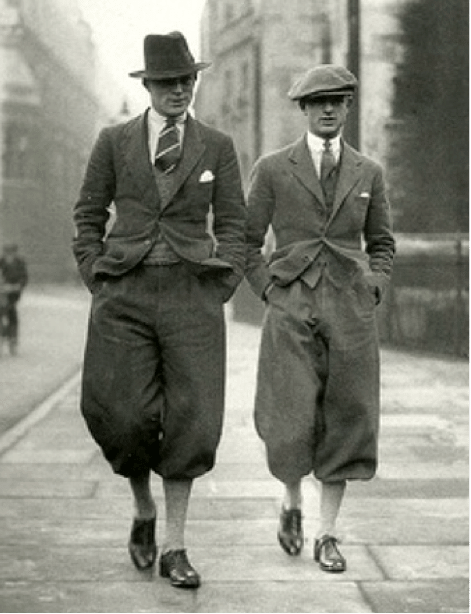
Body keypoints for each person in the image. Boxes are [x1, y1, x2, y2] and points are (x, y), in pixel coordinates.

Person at [72, 32, 246, 588]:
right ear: (148, 86)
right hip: (125, 293)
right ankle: (142, 506)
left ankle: (176, 544)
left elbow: (236, 227)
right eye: (167, 82)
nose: (178, 91)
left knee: (193, 422)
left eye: (186, 81)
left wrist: (222, 285)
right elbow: (88, 217)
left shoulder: (217, 146)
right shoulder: (114, 142)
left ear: (195, 82)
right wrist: (98, 279)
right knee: (123, 418)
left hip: (193, 296)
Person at [245, 65, 395, 573]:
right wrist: (267, 288)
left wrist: (374, 283)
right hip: (291, 305)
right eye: (318, 102)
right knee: (289, 416)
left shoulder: (368, 172)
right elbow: (246, 241)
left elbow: (382, 243)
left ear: (348, 107)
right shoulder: (272, 169)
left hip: (350, 310)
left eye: (338, 101)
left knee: (349, 417)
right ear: (303, 109)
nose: (329, 109)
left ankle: (327, 534)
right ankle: (291, 502)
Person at [0, 243, 28, 355]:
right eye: (7, 253)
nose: (9, 256)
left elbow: (24, 278)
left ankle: (13, 338)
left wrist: (17, 286)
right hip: (1, 293)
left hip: (13, 294)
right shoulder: (1, 262)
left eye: (11, 253)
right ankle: (3, 335)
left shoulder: (20, 263)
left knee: (12, 313)